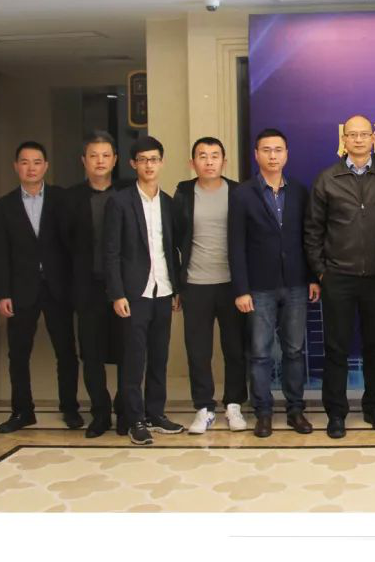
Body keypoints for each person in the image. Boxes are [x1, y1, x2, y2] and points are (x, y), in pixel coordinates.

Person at [305, 115, 375, 439]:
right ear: (344, 139)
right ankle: (336, 413)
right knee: (336, 349)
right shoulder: (327, 179)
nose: (358, 139)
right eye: (352, 135)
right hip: (338, 277)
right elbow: (313, 230)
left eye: (364, 134)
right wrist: (321, 271)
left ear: (373, 138)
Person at [230, 128, 318, 438]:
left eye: (278, 150)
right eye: (266, 150)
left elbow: (309, 238)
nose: (272, 155)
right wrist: (241, 289)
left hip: (295, 283)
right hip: (259, 286)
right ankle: (263, 413)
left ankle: (295, 410)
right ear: (256, 155)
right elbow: (236, 245)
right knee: (260, 353)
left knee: (294, 350)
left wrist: (312, 277)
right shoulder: (242, 194)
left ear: (287, 154)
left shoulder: (300, 192)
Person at [0, 141, 80, 433]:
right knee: (18, 354)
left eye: (37, 162)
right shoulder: (4, 207)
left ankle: (70, 408)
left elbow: (73, 245)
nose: (31, 168)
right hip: (21, 290)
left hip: (58, 287)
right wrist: (3, 293)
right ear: (16, 166)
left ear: (46, 166)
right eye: (25, 162)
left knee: (66, 351)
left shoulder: (62, 199)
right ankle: (22, 411)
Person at [103, 136, 184, 445]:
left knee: (159, 357)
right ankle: (134, 418)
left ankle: (155, 413)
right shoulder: (120, 201)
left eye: (154, 159)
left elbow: (171, 249)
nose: (149, 165)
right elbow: (111, 252)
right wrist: (117, 293)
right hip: (134, 293)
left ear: (162, 162)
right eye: (143, 160)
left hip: (163, 290)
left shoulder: (168, 202)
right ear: (133, 164)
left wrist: (176, 288)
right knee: (134, 360)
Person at [172, 137, 248, 435]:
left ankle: (234, 404)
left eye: (215, 155)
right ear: (192, 163)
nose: (209, 161)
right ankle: (204, 407)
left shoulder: (238, 192)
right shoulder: (183, 192)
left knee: (235, 348)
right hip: (195, 284)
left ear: (224, 161)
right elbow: (173, 239)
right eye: (202, 156)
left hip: (232, 284)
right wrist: (177, 285)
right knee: (198, 351)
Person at [63, 131, 127, 437]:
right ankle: (100, 413)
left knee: (128, 352)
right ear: (83, 161)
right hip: (87, 288)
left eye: (105, 155)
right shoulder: (70, 198)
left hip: (124, 288)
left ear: (115, 160)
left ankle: (125, 410)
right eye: (93, 156)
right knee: (91, 354)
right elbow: (64, 245)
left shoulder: (128, 192)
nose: (100, 161)